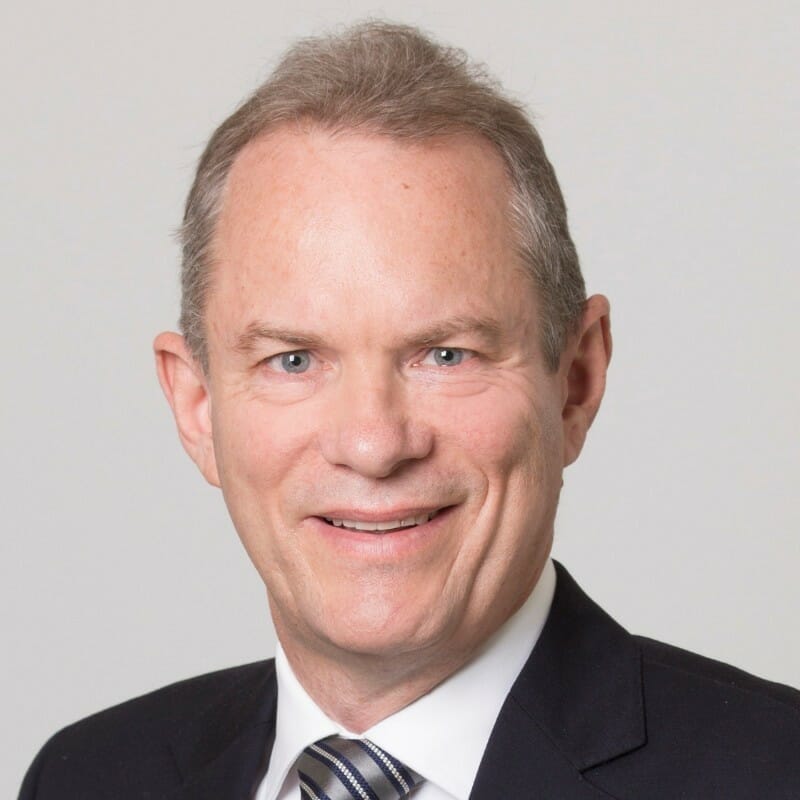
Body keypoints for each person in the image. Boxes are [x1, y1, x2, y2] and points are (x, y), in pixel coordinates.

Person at [19, 20, 800, 800]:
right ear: (196, 408)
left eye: (446, 354)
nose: (373, 444)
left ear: (576, 381)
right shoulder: (88, 778)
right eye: (293, 360)